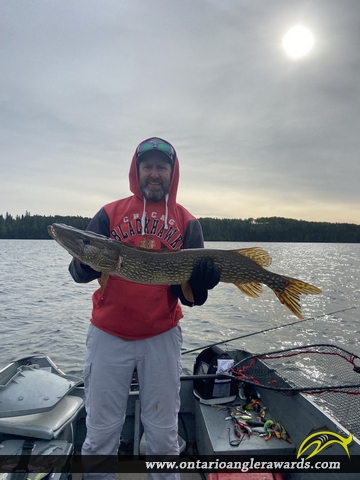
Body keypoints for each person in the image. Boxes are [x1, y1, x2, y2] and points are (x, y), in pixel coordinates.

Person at [69, 137, 220, 480]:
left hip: (161, 338)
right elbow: (78, 273)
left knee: (164, 435)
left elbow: (191, 299)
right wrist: (89, 263)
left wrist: (202, 283)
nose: (154, 174)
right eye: (147, 167)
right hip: (108, 336)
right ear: (136, 172)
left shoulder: (187, 223)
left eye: (161, 167)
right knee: (101, 431)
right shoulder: (109, 214)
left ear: (172, 173)